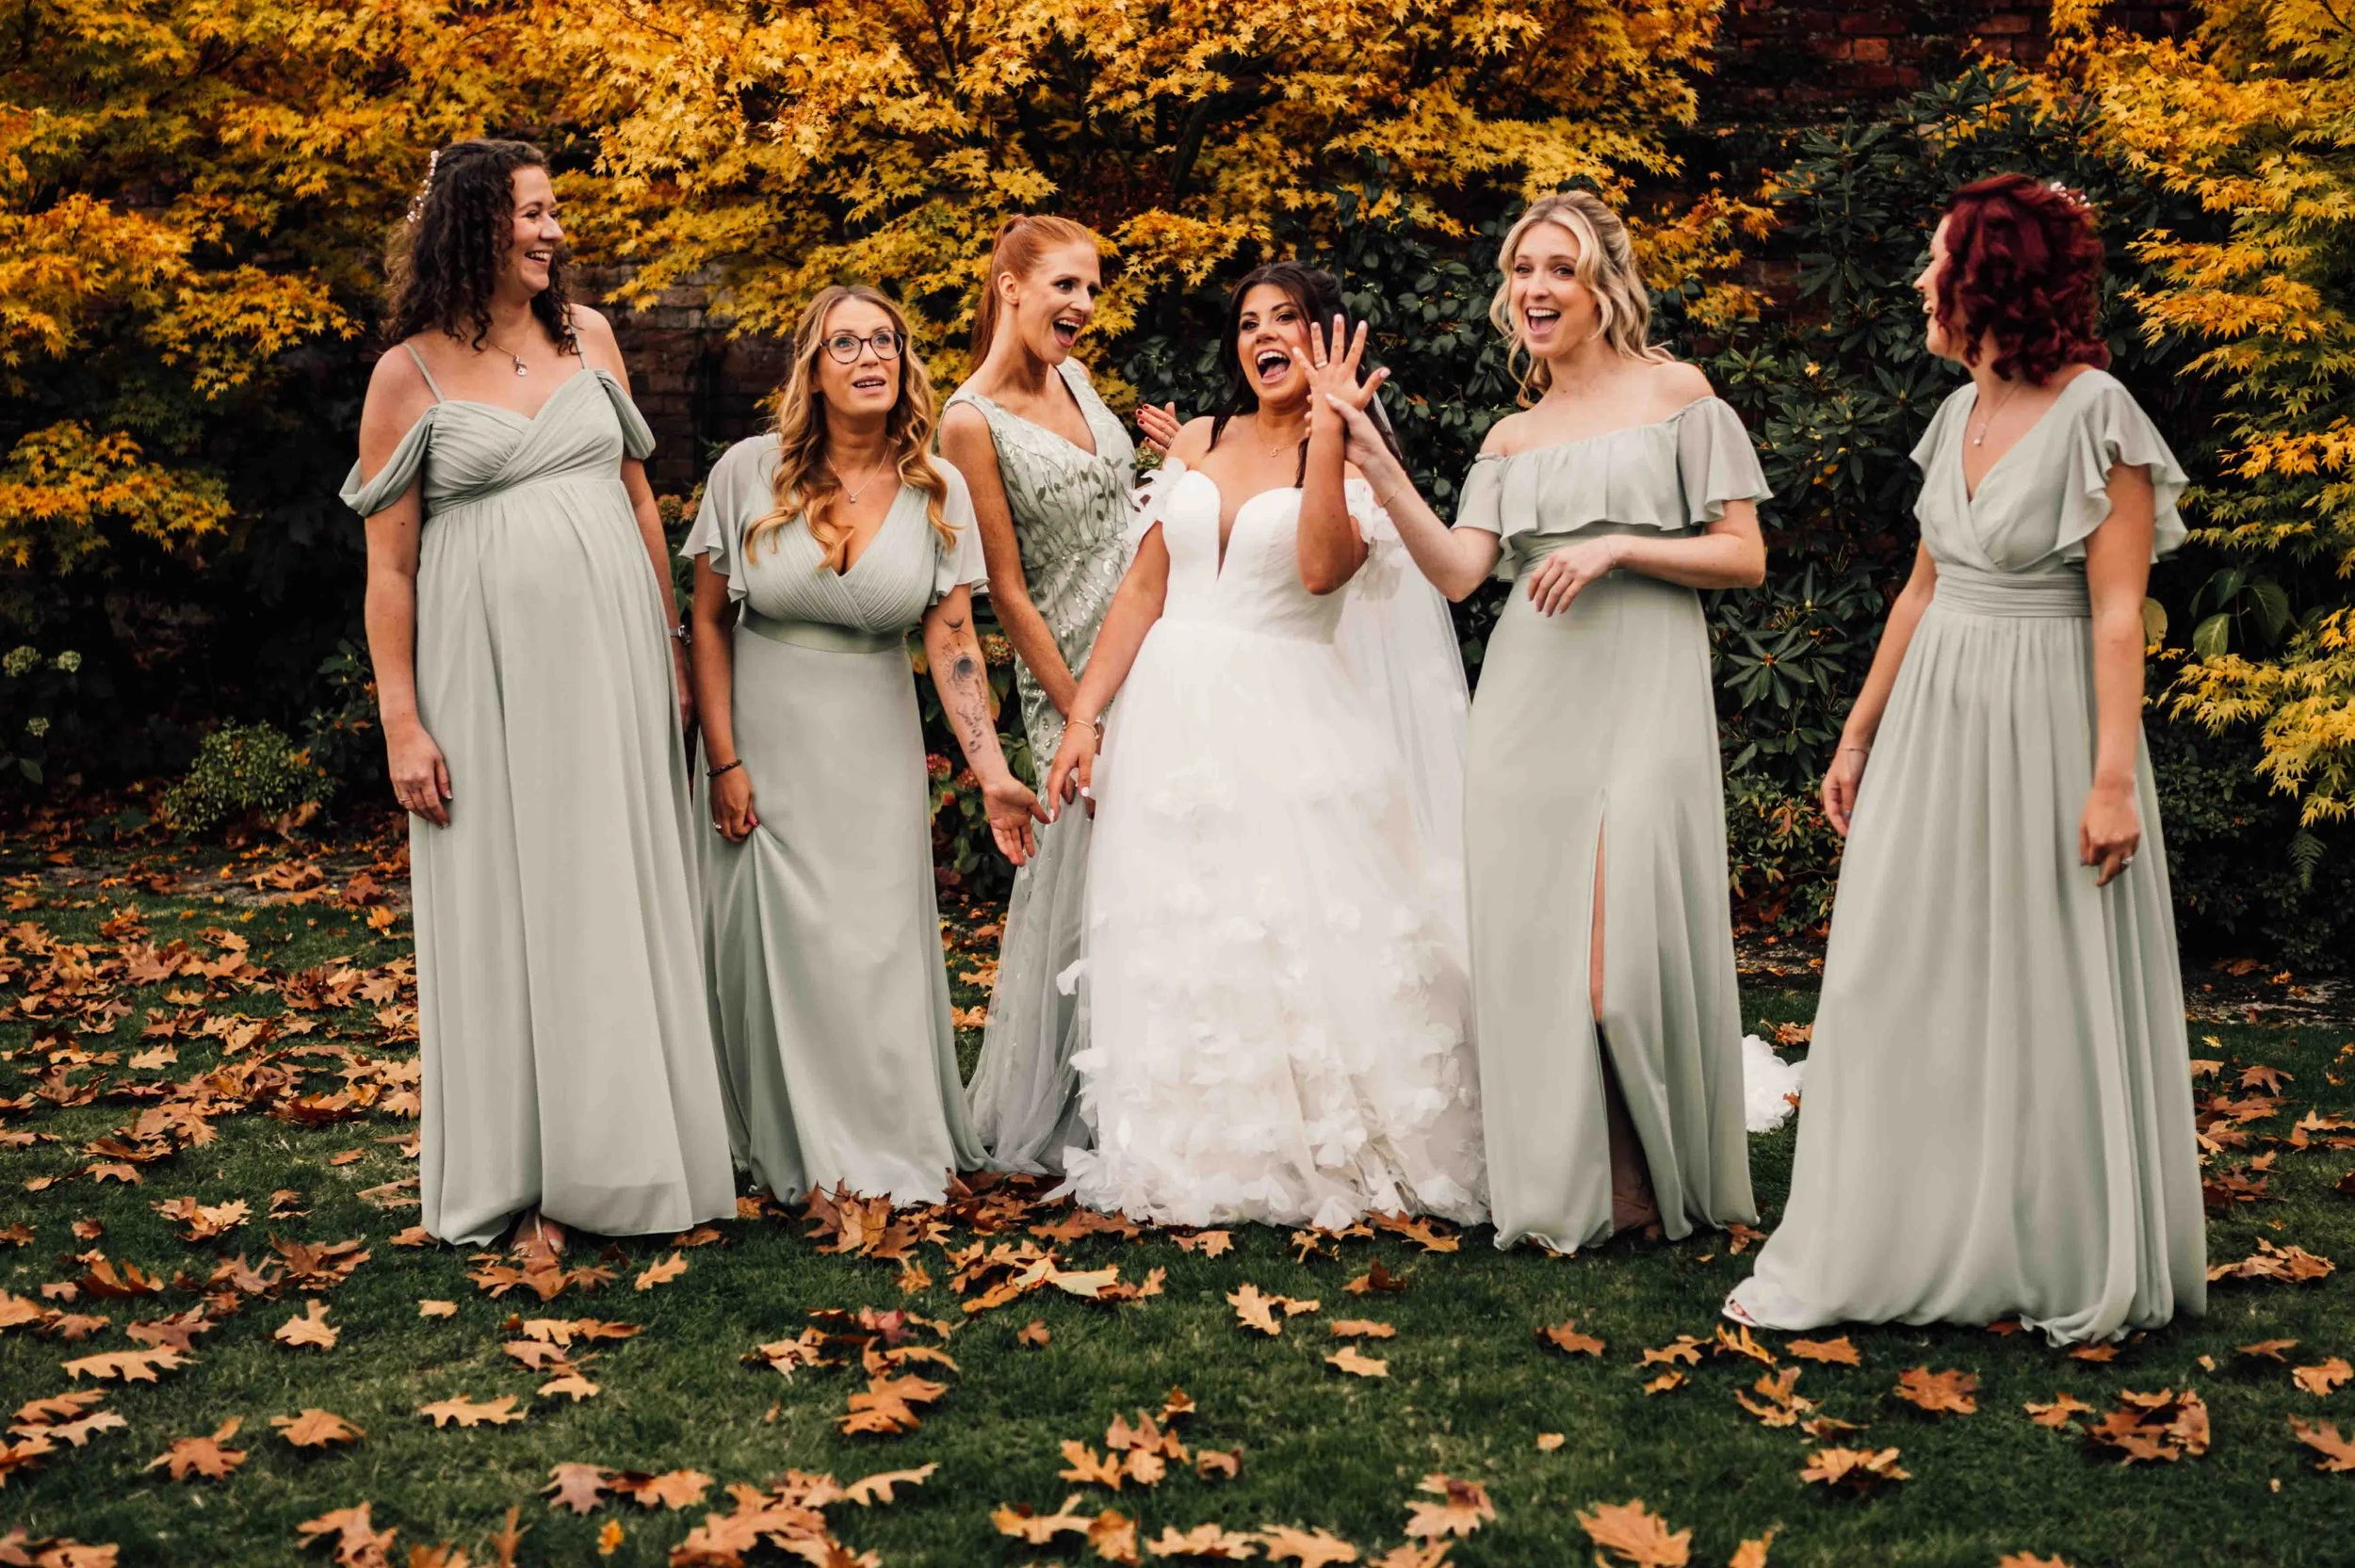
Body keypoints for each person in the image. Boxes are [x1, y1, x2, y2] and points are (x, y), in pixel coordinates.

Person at [1727, 174, 2202, 1344]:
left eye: (1935, 259)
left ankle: (2046, 1237)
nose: (1919, 281)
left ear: (1988, 277)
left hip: (2048, 721)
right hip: (1938, 714)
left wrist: (2105, 780)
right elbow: (1924, 583)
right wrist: (1857, 730)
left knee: (2041, 970)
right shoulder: (1955, 416)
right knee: (1910, 962)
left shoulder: (2100, 414)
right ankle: (1909, 1221)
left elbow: (2115, 615)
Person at [1327, 190, 1765, 1253]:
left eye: (1558, 268)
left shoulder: (1678, 394)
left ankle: (1671, 1169)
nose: (1535, 288)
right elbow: (1461, 571)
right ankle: (1604, 1190)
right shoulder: (1511, 435)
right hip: (1528, 698)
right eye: (1523, 270)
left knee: (1621, 969)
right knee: (1543, 960)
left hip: (1644, 682)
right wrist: (1374, 465)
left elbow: (1743, 554)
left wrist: (1619, 545)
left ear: (1601, 282)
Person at [342, 139, 733, 1249]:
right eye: (533, 213)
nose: (553, 231)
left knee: (615, 885)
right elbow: (388, 567)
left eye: (554, 213)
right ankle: (527, 1177)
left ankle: (633, 1160)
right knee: (513, 900)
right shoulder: (405, 375)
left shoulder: (591, 339)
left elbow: (638, 501)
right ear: (476, 226)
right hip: (486, 680)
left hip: (612, 659)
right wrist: (402, 720)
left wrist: (667, 651)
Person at [1041, 264, 1484, 1231]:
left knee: (1289, 929)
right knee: (1180, 927)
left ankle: (1318, 1142)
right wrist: (1085, 717)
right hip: (1166, 714)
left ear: (1327, 337)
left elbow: (1323, 569)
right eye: (1249, 322)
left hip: (1289, 713)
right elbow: (1144, 592)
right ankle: (1192, 1143)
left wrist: (1331, 430)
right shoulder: (1201, 438)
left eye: (1287, 318)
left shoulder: (1357, 453)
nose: (1264, 335)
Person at [683, 284, 1046, 1205]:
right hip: (763, 742)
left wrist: (993, 772)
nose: (868, 358)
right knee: (773, 953)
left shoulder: (938, 487)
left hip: (871, 745)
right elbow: (708, 627)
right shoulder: (745, 474)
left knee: (872, 948)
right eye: (844, 344)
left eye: (882, 341)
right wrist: (724, 761)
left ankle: (879, 1144)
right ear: (812, 366)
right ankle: (778, 1148)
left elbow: (955, 638)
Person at [943, 217, 1137, 1174]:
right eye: (1065, 286)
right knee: (1086, 884)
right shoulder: (967, 421)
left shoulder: (1080, 383)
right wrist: (1079, 713)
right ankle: (1079, 1105)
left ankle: (1160, 1082)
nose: (1083, 308)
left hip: (1154, 648)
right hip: (1065, 673)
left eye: (1092, 290)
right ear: (1009, 284)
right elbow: (1005, 590)